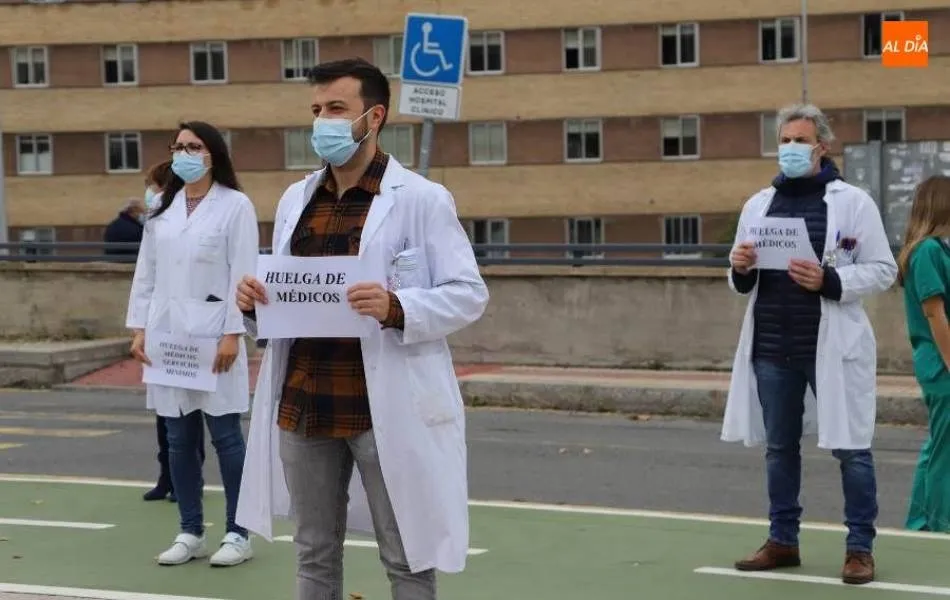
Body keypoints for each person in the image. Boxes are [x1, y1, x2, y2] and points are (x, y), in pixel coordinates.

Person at [234, 58, 489, 600]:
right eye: (316, 110)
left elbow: (469, 293)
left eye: (336, 109)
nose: (322, 122)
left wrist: (398, 306)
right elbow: (288, 293)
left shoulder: (420, 199)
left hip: (383, 408)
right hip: (302, 403)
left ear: (373, 117)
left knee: (407, 557)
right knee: (313, 555)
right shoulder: (294, 200)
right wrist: (254, 303)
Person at [720, 103, 897, 585]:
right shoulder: (758, 205)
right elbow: (740, 279)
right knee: (779, 449)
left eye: (800, 140)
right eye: (785, 140)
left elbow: (884, 269)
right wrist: (738, 266)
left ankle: (859, 547)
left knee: (851, 448)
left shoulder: (853, 202)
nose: (791, 149)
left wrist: (830, 280)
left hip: (830, 344)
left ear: (822, 146)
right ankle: (782, 540)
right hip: (772, 346)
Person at [126, 121, 259, 567]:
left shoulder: (234, 206)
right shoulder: (163, 208)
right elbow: (146, 273)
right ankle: (190, 530)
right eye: (178, 146)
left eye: (193, 146)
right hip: (168, 337)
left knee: (226, 436)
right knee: (179, 438)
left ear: (212, 153)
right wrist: (140, 328)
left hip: (214, 335)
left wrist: (232, 333)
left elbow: (243, 273)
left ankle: (238, 534)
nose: (184, 153)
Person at [139, 159, 207, 503]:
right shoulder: (160, 211)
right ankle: (170, 477)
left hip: (195, 326)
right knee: (169, 415)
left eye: (152, 183)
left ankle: (185, 479)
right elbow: (147, 270)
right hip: (164, 327)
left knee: (195, 413)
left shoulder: (199, 210)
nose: (149, 191)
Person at [896, 176, 950, 533]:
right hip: (941, 362)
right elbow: (935, 314)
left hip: (934, 361)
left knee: (937, 445)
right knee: (946, 452)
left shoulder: (934, 249)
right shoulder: (928, 251)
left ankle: (919, 522)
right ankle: (942, 523)